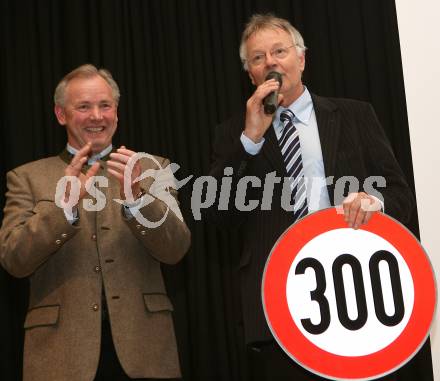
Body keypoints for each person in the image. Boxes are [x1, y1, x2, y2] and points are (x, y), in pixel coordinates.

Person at [207, 14, 420, 380]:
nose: (270, 62)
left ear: (301, 59)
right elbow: (216, 214)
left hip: (358, 294)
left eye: (279, 51)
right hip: (278, 305)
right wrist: (250, 140)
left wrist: (374, 201)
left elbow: (400, 195)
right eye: (258, 58)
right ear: (250, 75)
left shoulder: (355, 115)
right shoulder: (234, 134)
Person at [0, 64, 190, 381]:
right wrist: (63, 210)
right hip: (61, 356)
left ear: (116, 111)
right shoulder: (27, 178)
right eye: (84, 107)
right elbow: (14, 260)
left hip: (144, 349)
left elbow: (176, 249)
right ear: (61, 114)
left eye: (105, 105)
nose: (96, 116)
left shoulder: (153, 168)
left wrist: (138, 200)